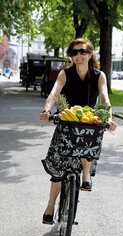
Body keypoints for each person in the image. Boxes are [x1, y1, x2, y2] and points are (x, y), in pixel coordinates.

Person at [40, 38, 117, 224]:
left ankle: (86, 174)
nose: (78, 56)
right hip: (67, 120)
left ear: (90, 54)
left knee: (88, 138)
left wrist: (110, 118)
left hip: (88, 120)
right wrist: (47, 110)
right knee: (58, 171)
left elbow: (105, 99)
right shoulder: (65, 74)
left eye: (82, 51)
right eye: (74, 53)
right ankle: (50, 206)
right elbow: (54, 93)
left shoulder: (99, 75)